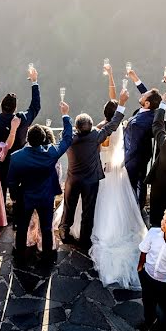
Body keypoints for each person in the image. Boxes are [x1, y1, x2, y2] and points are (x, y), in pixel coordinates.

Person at [59, 87, 128, 249]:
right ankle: (84, 240)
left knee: (69, 207)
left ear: (77, 127)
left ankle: (64, 231)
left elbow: (67, 129)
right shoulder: (96, 136)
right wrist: (122, 103)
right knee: (88, 211)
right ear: (91, 127)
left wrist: (64, 113)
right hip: (91, 180)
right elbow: (114, 124)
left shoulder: (69, 139)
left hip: (73, 179)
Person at [8, 101, 73, 265]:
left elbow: (12, 180)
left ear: (28, 138)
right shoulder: (51, 153)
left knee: (22, 227)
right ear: (45, 139)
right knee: (46, 227)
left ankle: (20, 254)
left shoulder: (16, 156)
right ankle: (47, 257)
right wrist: (65, 115)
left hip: (26, 196)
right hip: (45, 196)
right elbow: (67, 138)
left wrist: (15, 196)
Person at [0, 65, 41, 200]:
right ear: (15, 108)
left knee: (0, 192)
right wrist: (34, 82)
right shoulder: (21, 118)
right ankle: (18, 216)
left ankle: (1, 216)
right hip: (19, 161)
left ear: (1, 105)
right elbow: (35, 106)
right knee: (19, 192)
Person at [123, 69, 160, 210]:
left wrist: (124, 161)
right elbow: (147, 94)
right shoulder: (150, 111)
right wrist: (135, 78)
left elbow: (134, 145)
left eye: (144, 96)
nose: (142, 95)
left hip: (134, 157)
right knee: (140, 183)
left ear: (147, 104)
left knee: (133, 185)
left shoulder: (141, 122)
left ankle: (134, 211)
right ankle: (139, 207)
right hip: (142, 155)